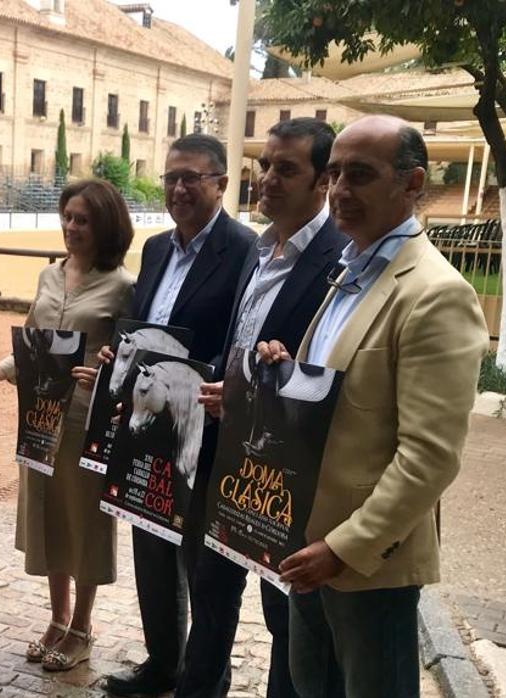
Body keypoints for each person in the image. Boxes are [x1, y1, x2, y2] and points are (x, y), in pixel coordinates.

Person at [257, 115, 487, 698]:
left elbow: (429, 458)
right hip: (308, 544)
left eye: (359, 175)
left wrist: (342, 550)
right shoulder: (351, 273)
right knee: (312, 687)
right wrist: (286, 369)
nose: (339, 190)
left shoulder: (435, 294)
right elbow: (339, 397)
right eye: (334, 174)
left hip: (365, 566)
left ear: (412, 184)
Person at [178, 117, 349, 698]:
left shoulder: (341, 262)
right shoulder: (258, 248)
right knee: (211, 588)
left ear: (324, 180)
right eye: (265, 165)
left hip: (289, 474)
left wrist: (254, 400)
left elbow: (336, 379)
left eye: (286, 169)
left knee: (286, 616)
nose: (268, 179)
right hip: (227, 457)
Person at [0, 178, 134, 672]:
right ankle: (58, 617)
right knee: (50, 516)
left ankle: (83, 628)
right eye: (67, 217)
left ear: (105, 225)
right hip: (42, 418)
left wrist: (108, 373)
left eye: (83, 220)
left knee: (86, 521)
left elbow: (133, 360)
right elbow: (29, 348)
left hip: (88, 422)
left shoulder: (123, 286)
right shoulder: (49, 277)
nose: (72, 227)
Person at [94, 134, 256, 697]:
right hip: (150, 426)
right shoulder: (157, 248)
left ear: (221, 184)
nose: (180, 188)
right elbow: (144, 323)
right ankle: (162, 663)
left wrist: (195, 376)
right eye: (171, 178)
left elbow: (242, 342)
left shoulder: (246, 251)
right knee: (153, 553)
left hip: (204, 428)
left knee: (204, 569)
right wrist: (124, 354)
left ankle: (203, 680)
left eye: (193, 177)